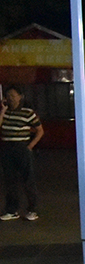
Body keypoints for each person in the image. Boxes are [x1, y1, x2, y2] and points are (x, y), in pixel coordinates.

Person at [0, 86, 43, 221]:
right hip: (7, 148)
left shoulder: (28, 113)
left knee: (27, 179)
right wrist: (2, 111)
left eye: (13, 95)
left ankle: (32, 209)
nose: (11, 98)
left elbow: (40, 131)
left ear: (20, 97)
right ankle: (12, 209)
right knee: (10, 180)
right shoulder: (4, 112)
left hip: (22, 148)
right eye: (8, 96)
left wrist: (30, 146)